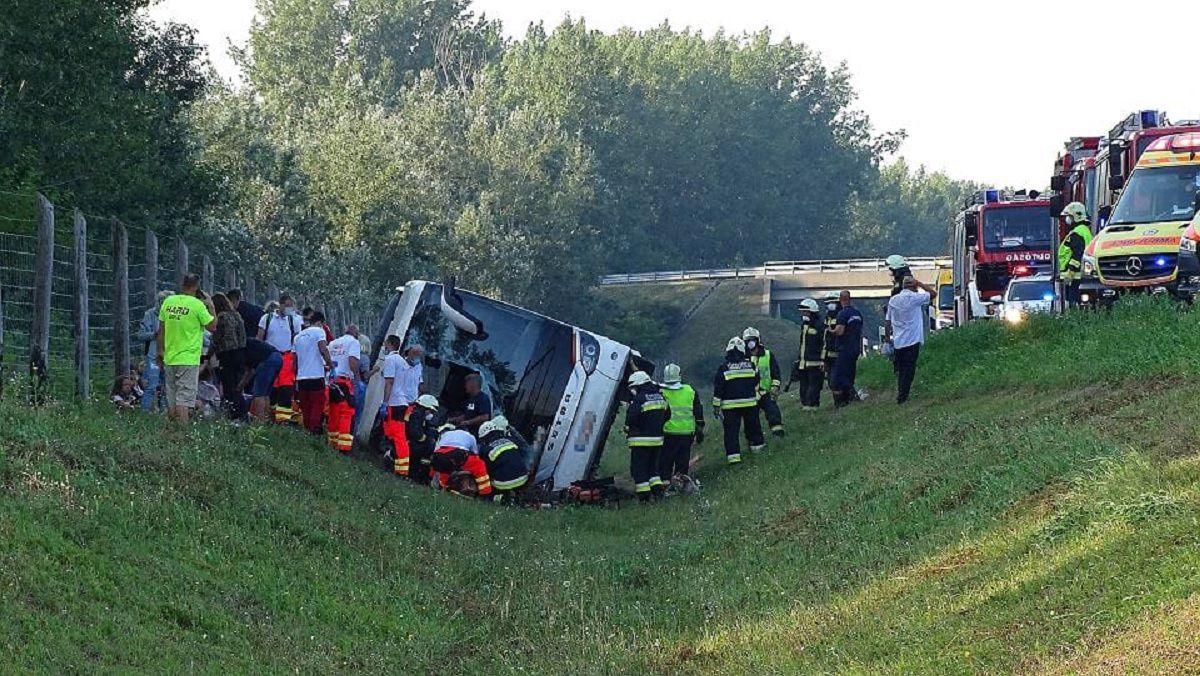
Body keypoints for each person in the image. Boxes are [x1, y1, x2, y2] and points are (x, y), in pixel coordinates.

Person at [155, 273, 216, 424]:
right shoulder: (197, 305)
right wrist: (210, 305)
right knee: (184, 399)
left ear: (182, 285)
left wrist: (160, 351)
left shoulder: (169, 302)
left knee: (172, 398)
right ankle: (182, 431)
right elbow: (213, 326)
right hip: (188, 359)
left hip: (170, 357)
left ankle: (172, 429)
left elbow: (161, 330)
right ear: (196, 287)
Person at [712, 337, 763, 464]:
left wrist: (716, 406)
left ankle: (734, 457)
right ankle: (758, 448)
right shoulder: (751, 365)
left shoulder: (724, 368)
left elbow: (718, 388)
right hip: (750, 403)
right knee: (753, 427)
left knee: (731, 432)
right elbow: (757, 380)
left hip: (730, 407)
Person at [886, 276, 935, 404]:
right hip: (912, 340)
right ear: (913, 287)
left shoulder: (893, 300)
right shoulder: (915, 298)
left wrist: (887, 338)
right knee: (909, 370)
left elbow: (888, 321)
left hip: (898, 342)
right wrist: (920, 283)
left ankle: (901, 393)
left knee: (901, 369)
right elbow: (933, 294)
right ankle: (903, 397)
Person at [623, 371, 670, 501]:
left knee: (639, 470)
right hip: (657, 441)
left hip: (641, 441)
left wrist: (629, 427)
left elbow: (631, 417)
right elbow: (668, 415)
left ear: (639, 384)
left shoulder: (639, 398)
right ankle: (658, 493)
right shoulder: (660, 396)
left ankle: (644, 498)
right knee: (653, 470)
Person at [658, 363, 704, 491]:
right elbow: (698, 412)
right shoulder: (690, 391)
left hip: (667, 433)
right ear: (679, 376)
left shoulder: (661, 392)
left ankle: (665, 487)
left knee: (665, 462)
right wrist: (699, 429)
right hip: (686, 433)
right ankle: (681, 485)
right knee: (682, 462)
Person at [258, 294, 300, 423]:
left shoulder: (294, 321)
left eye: (291, 306)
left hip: (287, 357)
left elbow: (297, 340)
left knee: (286, 389)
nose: (289, 308)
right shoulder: (267, 318)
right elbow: (259, 338)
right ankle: (270, 416)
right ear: (280, 305)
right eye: (287, 305)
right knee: (272, 388)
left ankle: (283, 420)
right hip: (271, 356)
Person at [292, 311, 333, 434]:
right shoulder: (319, 332)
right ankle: (315, 430)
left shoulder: (298, 336)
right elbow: (323, 349)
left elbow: (294, 361)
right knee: (317, 405)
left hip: (301, 377)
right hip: (316, 375)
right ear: (320, 322)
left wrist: (296, 375)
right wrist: (330, 363)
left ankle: (307, 430)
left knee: (305, 407)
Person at [209, 292, 248, 420]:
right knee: (237, 385)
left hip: (227, 354)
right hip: (240, 353)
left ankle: (234, 414)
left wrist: (208, 354)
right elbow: (243, 336)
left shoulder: (221, 317)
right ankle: (242, 412)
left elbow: (216, 338)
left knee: (228, 386)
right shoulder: (237, 315)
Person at [477, 416, 531, 503]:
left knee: (486, 490)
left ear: (484, 437)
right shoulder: (510, 440)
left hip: (503, 484)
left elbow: (485, 471)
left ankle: (501, 497)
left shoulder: (486, 449)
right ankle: (516, 493)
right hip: (523, 478)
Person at [387, 394, 440, 481]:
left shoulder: (417, 413)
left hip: (404, 441)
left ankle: (411, 473)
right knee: (422, 448)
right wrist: (428, 439)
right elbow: (416, 433)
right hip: (405, 442)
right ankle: (399, 467)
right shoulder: (416, 415)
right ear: (425, 407)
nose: (431, 414)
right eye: (431, 411)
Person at [429, 426, 492, 499]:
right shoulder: (470, 436)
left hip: (440, 456)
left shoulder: (446, 434)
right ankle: (485, 493)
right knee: (479, 465)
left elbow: (436, 449)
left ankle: (438, 483)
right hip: (457, 455)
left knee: (441, 467)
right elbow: (475, 452)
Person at [742, 327, 783, 437]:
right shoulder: (743, 359)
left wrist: (775, 386)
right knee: (751, 419)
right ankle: (755, 440)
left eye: (752, 340)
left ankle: (778, 433)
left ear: (758, 340)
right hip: (751, 395)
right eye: (747, 341)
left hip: (766, 392)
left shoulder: (768, 355)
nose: (750, 343)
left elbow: (775, 373)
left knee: (773, 412)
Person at [326, 326, 362, 453]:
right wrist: (357, 378)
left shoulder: (333, 343)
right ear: (355, 333)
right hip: (344, 381)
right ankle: (344, 446)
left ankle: (332, 442)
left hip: (331, 380)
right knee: (347, 412)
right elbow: (352, 361)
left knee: (334, 411)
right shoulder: (354, 342)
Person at [136, 290, 172, 412]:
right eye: (162, 301)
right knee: (151, 385)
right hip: (153, 356)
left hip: (170, 356)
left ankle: (165, 412)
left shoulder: (175, 316)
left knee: (167, 387)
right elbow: (141, 335)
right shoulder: (150, 314)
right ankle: (145, 412)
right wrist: (154, 334)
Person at [831, 290, 864, 408]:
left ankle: (846, 400)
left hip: (844, 348)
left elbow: (840, 331)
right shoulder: (857, 313)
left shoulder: (842, 314)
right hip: (855, 348)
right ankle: (850, 400)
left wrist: (831, 331)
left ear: (840, 300)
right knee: (850, 374)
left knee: (839, 377)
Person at [791, 299, 826, 411]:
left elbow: (824, 343)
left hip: (816, 363)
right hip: (803, 363)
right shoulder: (805, 325)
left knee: (814, 387)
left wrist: (823, 361)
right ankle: (805, 406)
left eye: (805, 311)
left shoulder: (819, 325)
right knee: (804, 387)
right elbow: (802, 345)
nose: (803, 314)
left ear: (812, 311)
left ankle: (813, 407)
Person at [1057, 202, 1093, 306]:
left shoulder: (1077, 233)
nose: (1067, 219)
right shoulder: (1084, 231)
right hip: (1080, 275)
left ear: (1076, 217)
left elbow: (1077, 254)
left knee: (1073, 303)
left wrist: (1070, 272)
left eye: (1069, 216)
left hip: (1075, 277)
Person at [239, 337, 281, 422]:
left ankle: (260, 421)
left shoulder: (241, 349)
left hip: (268, 360)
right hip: (278, 357)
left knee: (259, 393)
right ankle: (266, 419)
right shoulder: (249, 343)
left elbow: (249, 372)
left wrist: (239, 387)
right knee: (266, 393)